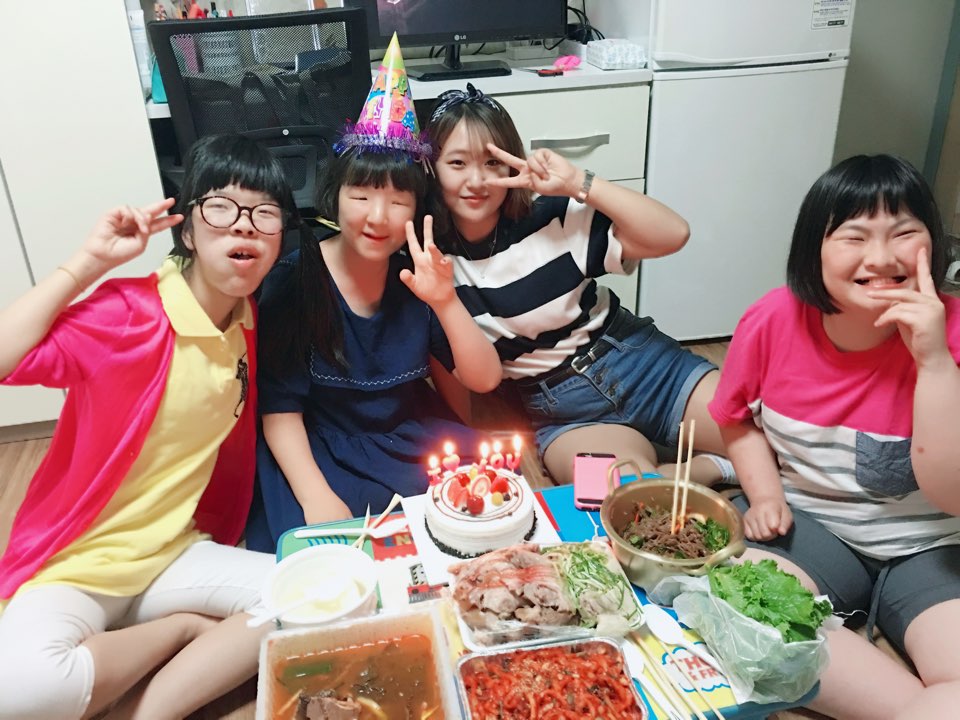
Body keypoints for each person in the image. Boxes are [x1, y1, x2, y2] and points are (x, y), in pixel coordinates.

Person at [0, 134, 293, 719]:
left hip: (173, 554)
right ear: (187, 232)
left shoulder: (245, 320)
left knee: (306, 597)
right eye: (221, 208)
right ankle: (180, 629)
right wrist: (89, 263)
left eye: (265, 213)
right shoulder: (127, 315)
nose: (244, 226)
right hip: (79, 562)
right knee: (20, 692)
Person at [709, 154, 960, 720]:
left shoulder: (955, 331)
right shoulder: (772, 319)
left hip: (933, 546)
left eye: (904, 233)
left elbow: (953, 493)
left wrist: (935, 362)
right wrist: (765, 494)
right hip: (811, 527)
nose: (882, 257)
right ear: (813, 249)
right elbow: (736, 417)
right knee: (735, 610)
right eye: (854, 236)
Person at [246, 37, 500, 553]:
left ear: (418, 208)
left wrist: (445, 300)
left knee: (483, 513)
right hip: (318, 448)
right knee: (327, 553)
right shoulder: (296, 278)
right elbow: (280, 409)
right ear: (334, 197)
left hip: (404, 438)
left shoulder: (417, 277)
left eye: (398, 200)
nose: (378, 216)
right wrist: (315, 494)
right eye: (360, 195)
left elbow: (484, 379)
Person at [424, 83, 732, 486]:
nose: (477, 180)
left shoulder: (552, 216)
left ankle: (706, 468)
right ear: (432, 168)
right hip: (564, 409)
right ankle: (696, 470)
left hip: (642, 364)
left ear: (512, 163)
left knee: (778, 437)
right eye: (458, 163)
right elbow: (463, 372)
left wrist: (578, 182)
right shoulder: (431, 263)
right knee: (620, 496)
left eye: (492, 162)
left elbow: (673, 234)